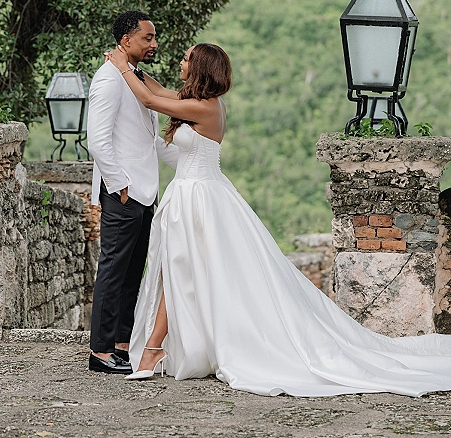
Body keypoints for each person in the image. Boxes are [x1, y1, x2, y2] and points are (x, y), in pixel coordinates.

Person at [107, 42, 451, 397]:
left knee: (178, 268)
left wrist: (121, 67)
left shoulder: (205, 108)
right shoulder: (196, 102)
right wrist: (132, 68)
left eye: (186, 60)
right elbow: (160, 92)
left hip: (201, 198)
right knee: (176, 268)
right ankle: (154, 349)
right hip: (192, 195)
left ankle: (153, 351)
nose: (180, 63)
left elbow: (151, 101)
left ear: (201, 70)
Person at [87, 10, 178, 374]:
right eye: (147, 38)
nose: (154, 44)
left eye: (154, 38)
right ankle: (101, 351)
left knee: (132, 271)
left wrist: (188, 156)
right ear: (126, 40)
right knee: (113, 270)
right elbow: (97, 140)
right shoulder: (109, 79)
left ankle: (122, 344)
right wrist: (119, 184)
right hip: (124, 191)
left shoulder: (134, 77)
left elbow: (146, 138)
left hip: (145, 190)